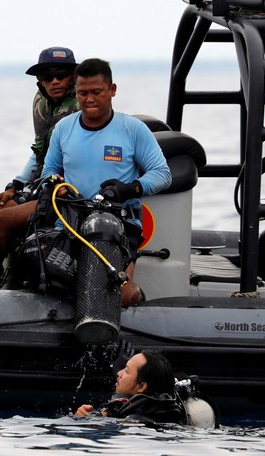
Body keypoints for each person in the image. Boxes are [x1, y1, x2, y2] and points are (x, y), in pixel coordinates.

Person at [41, 58, 171, 306]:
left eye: (96, 92)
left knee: (115, 296)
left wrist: (128, 189)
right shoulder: (63, 129)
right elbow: (49, 171)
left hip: (118, 224)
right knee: (61, 289)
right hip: (70, 223)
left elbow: (162, 174)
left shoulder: (133, 129)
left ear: (112, 90)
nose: (88, 99)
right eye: (82, 93)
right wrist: (54, 183)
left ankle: (135, 293)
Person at [0, 46, 79, 257]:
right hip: (41, 185)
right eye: (48, 76)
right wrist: (16, 184)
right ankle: (12, 269)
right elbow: (40, 150)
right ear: (39, 79)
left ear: (73, 76)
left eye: (61, 74)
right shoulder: (41, 102)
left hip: (67, 194)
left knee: (2, 220)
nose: (55, 81)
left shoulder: (81, 105)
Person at [75, 350, 218, 427]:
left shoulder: (132, 421)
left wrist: (86, 420)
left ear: (141, 386)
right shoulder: (171, 413)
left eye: (126, 370)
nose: (118, 373)